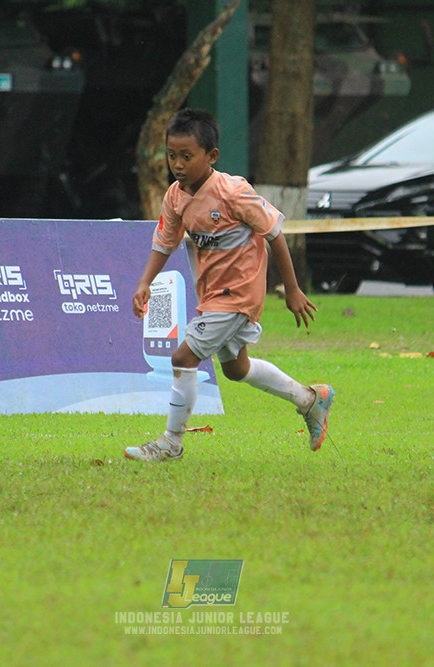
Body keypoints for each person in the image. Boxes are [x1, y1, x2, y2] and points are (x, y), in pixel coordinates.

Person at [125, 108, 334, 462]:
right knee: (237, 369)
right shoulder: (175, 196)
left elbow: (276, 235)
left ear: (212, 156)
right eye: (172, 155)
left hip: (238, 295)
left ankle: (170, 443)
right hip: (213, 295)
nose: (177, 164)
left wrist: (292, 289)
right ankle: (311, 400)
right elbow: (164, 242)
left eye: (187, 156)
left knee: (183, 357)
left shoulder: (233, 192)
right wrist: (145, 282)